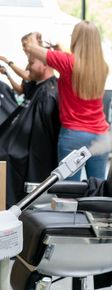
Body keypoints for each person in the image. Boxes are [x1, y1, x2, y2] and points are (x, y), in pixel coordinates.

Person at [25, 21, 110, 181]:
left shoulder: (68, 61)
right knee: (98, 192)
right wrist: (58, 51)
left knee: (68, 196)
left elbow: (30, 47)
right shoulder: (102, 67)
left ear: (76, 39)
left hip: (74, 135)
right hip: (101, 135)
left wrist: (34, 37)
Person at [0, 54, 60, 208]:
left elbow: (40, 141)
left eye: (31, 63)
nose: (27, 68)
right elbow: (22, 88)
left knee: (6, 154)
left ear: (45, 65)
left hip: (28, 150)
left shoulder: (48, 93)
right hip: (20, 140)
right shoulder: (37, 87)